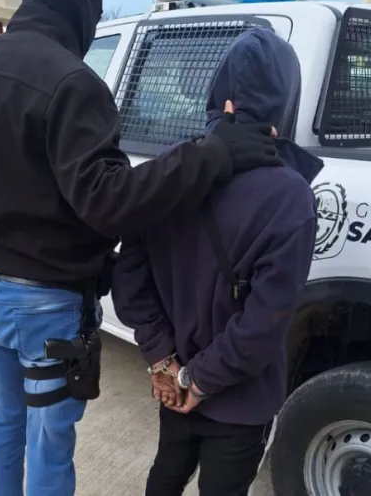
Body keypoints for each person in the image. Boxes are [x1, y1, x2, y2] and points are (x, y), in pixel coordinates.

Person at [0, 0, 280, 496]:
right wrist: (212, 155)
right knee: (49, 439)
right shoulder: (72, 83)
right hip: (43, 305)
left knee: (3, 418)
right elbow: (109, 200)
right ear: (80, 6)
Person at [111, 28, 321, 496]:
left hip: (174, 379)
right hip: (241, 397)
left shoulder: (171, 168)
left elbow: (130, 279)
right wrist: (199, 380)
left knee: (165, 476)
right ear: (286, 101)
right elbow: (265, 320)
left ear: (220, 96)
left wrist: (165, 362)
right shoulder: (289, 195)